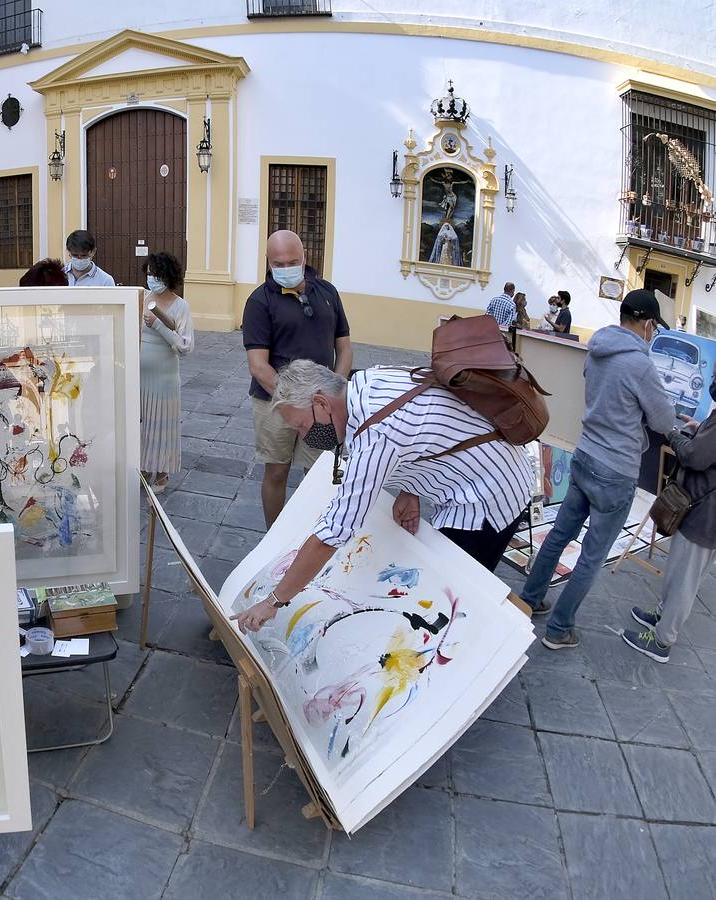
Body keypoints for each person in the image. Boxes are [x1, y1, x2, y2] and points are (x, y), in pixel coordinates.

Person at [228, 359, 533, 633]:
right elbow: (428, 425)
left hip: (488, 497)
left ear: (321, 403)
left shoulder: (374, 434)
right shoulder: (367, 382)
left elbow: (332, 533)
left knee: (454, 592)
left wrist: (273, 601)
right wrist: (411, 488)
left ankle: (468, 655)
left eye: (302, 425)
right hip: (483, 474)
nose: (305, 436)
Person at [521, 290, 690, 650]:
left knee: (559, 535)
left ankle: (530, 599)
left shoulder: (599, 347)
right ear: (647, 324)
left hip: (586, 455)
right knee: (592, 555)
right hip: (616, 469)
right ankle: (559, 628)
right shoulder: (640, 364)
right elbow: (662, 419)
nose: (652, 334)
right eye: (654, 329)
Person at [243, 230, 352, 528]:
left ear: (304, 257)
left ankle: (313, 535)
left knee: (317, 474)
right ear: (268, 262)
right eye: (278, 264)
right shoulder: (259, 301)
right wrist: (297, 403)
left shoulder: (327, 292)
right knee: (276, 472)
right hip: (275, 404)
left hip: (324, 408)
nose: (286, 268)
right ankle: (275, 538)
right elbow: (258, 366)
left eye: (292, 261)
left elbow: (343, 347)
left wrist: (335, 393)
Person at [622, 381, 716, 662]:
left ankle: (663, 640)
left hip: (705, 514)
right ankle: (662, 617)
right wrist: (699, 431)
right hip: (705, 511)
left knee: (685, 578)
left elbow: (694, 457)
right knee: (681, 572)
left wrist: (673, 434)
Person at [139, 251, 194, 490]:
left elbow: (185, 345)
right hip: (140, 376)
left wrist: (159, 326)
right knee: (140, 424)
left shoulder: (181, 306)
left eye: (156, 274)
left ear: (168, 276)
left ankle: (162, 473)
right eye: (149, 273)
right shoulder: (142, 297)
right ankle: (142, 467)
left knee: (161, 425)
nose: (152, 278)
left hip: (164, 378)